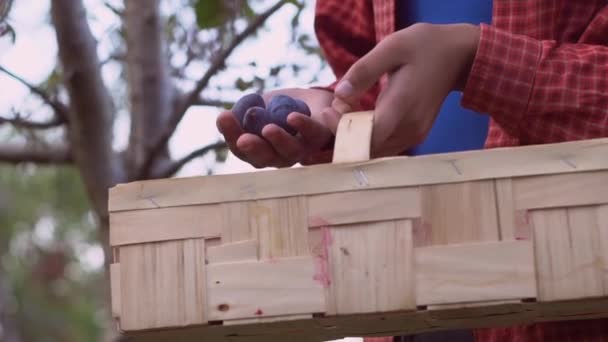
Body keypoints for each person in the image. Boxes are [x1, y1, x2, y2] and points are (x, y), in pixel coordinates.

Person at [217, 1, 608, 341]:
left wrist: (473, 60)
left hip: (573, 309)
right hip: (406, 308)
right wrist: (336, 114)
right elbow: (373, 91)